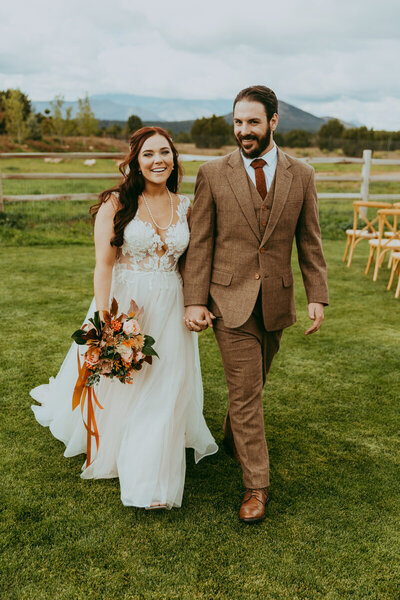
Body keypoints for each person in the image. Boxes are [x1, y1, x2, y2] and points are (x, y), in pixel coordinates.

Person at [31, 126, 218, 509]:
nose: (158, 160)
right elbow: (103, 266)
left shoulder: (187, 205)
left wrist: (198, 302)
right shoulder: (115, 204)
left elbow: (194, 262)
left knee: (166, 386)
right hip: (125, 303)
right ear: (134, 161)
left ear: (174, 158)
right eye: (148, 154)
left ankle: (152, 481)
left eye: (164, 152)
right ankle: (121, 444)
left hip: (171, 302)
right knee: (126, 384)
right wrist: (105, 323)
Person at [183, 85, 328, 523]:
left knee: (253, 386)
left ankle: (231, 435)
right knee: (247, 394)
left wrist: (316, 294)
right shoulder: (212, 173)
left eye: (252, 122)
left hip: (277, 301)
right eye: (237, 122)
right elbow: (201, 243)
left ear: (273, 122)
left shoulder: (301, 174)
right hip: (228, 302)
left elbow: (310, 241)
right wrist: (195, 301)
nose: (243, 131)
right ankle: (256, 487)